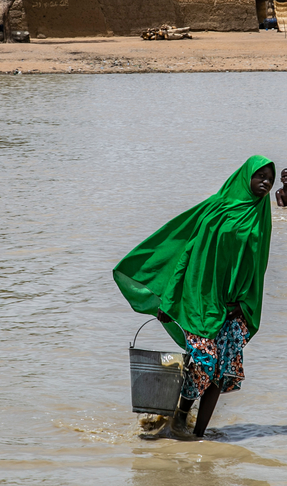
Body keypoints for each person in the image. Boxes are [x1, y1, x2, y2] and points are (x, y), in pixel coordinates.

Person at [114, 156, 275, 439]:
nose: (266, 181)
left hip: (235, 307)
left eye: (269, 177)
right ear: (244, 177)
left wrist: (246, 303)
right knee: (204, 361)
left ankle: (198, 435)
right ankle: (179, 417)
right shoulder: (216, 208)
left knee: (221, 371)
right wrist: (169, 298)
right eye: (260, 175)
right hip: (200, 299)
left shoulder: (262, 215)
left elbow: (258, 265)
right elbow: (187, 252)